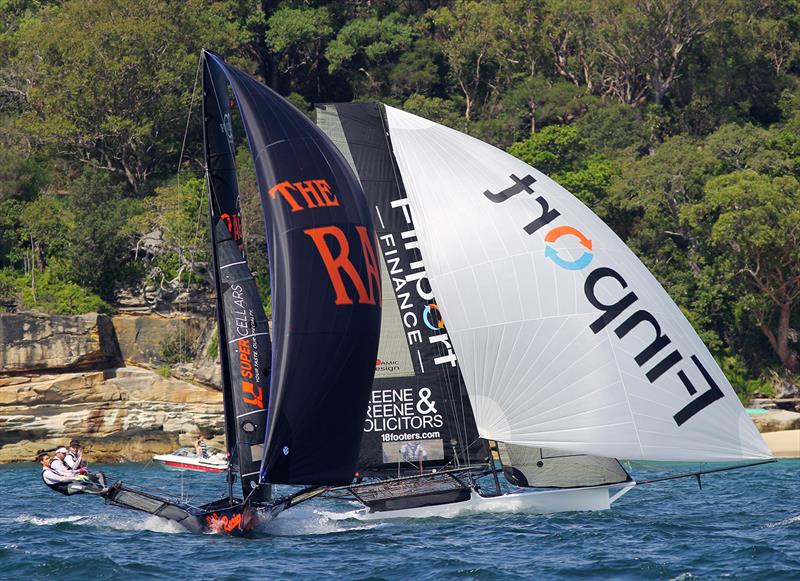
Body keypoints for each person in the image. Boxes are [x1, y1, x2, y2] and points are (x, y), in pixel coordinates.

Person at [37, 451, 104, 496]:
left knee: (97, 474)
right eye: (46, 459)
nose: (49, 459)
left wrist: (79, 471)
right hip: (66, 489)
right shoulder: (46, 473)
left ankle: (104, 490)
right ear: (42, 462)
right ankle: (105, 492)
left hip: (71, 483)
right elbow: (61, 479)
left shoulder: (52, 469)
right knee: (84, 488)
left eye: (49, 458)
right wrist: (76, 477)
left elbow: (66, 473)